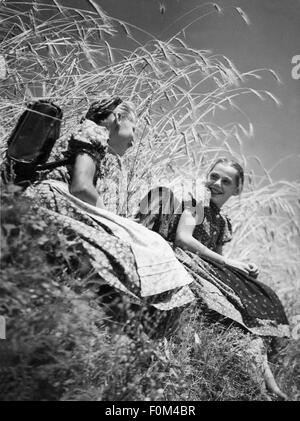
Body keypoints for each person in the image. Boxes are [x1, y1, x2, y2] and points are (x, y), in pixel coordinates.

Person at [137, 158, 290, 400]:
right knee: (237, 315)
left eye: (226, 181)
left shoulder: (221, 221)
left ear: (236, 190)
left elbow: (217, 259)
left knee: (258, 299)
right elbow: (183, 239)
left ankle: (272, 385)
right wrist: (231, 264)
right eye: (214, 176)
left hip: (205, 268)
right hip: (185, 260)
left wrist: (241, 267)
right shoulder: (196, 202)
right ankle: (268, 387)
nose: (217, 183)